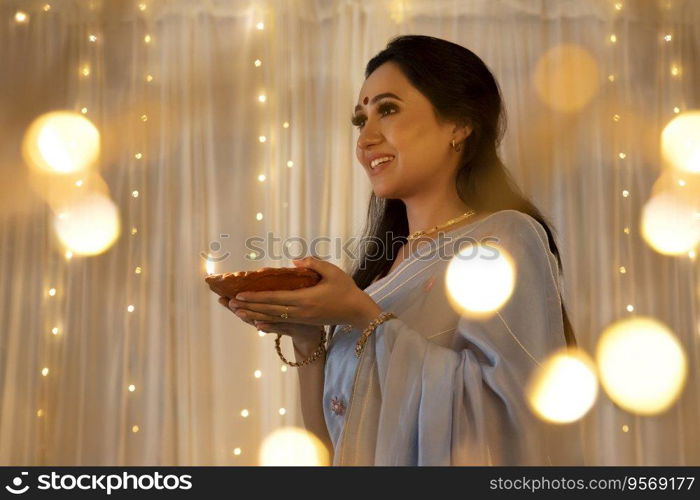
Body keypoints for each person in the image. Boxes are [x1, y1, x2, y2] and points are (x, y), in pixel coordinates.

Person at [220, 35, 585, 466]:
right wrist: (307, 338)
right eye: (360, 120)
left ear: (460, 124)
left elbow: (519, 422)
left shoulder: (502, 240)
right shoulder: (379, 276)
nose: (365, 139)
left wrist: (363, 317)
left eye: (388, 110)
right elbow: (332, 452)